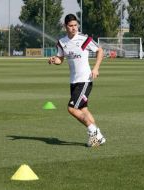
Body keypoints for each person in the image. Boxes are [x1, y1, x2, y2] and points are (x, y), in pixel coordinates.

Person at [48, 14, 106, 147]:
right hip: (73, 81)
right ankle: (99, 137)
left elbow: (100, 51)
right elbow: (60, 59)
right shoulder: (62, 42)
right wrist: (54, 60)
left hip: (85, 80)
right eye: (70, 26)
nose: (74, 28)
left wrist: (96, 68)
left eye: (75, 25)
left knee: (72, 108)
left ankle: (92, 132)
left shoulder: (84, 39)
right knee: (83, 109)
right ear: (65, 27)